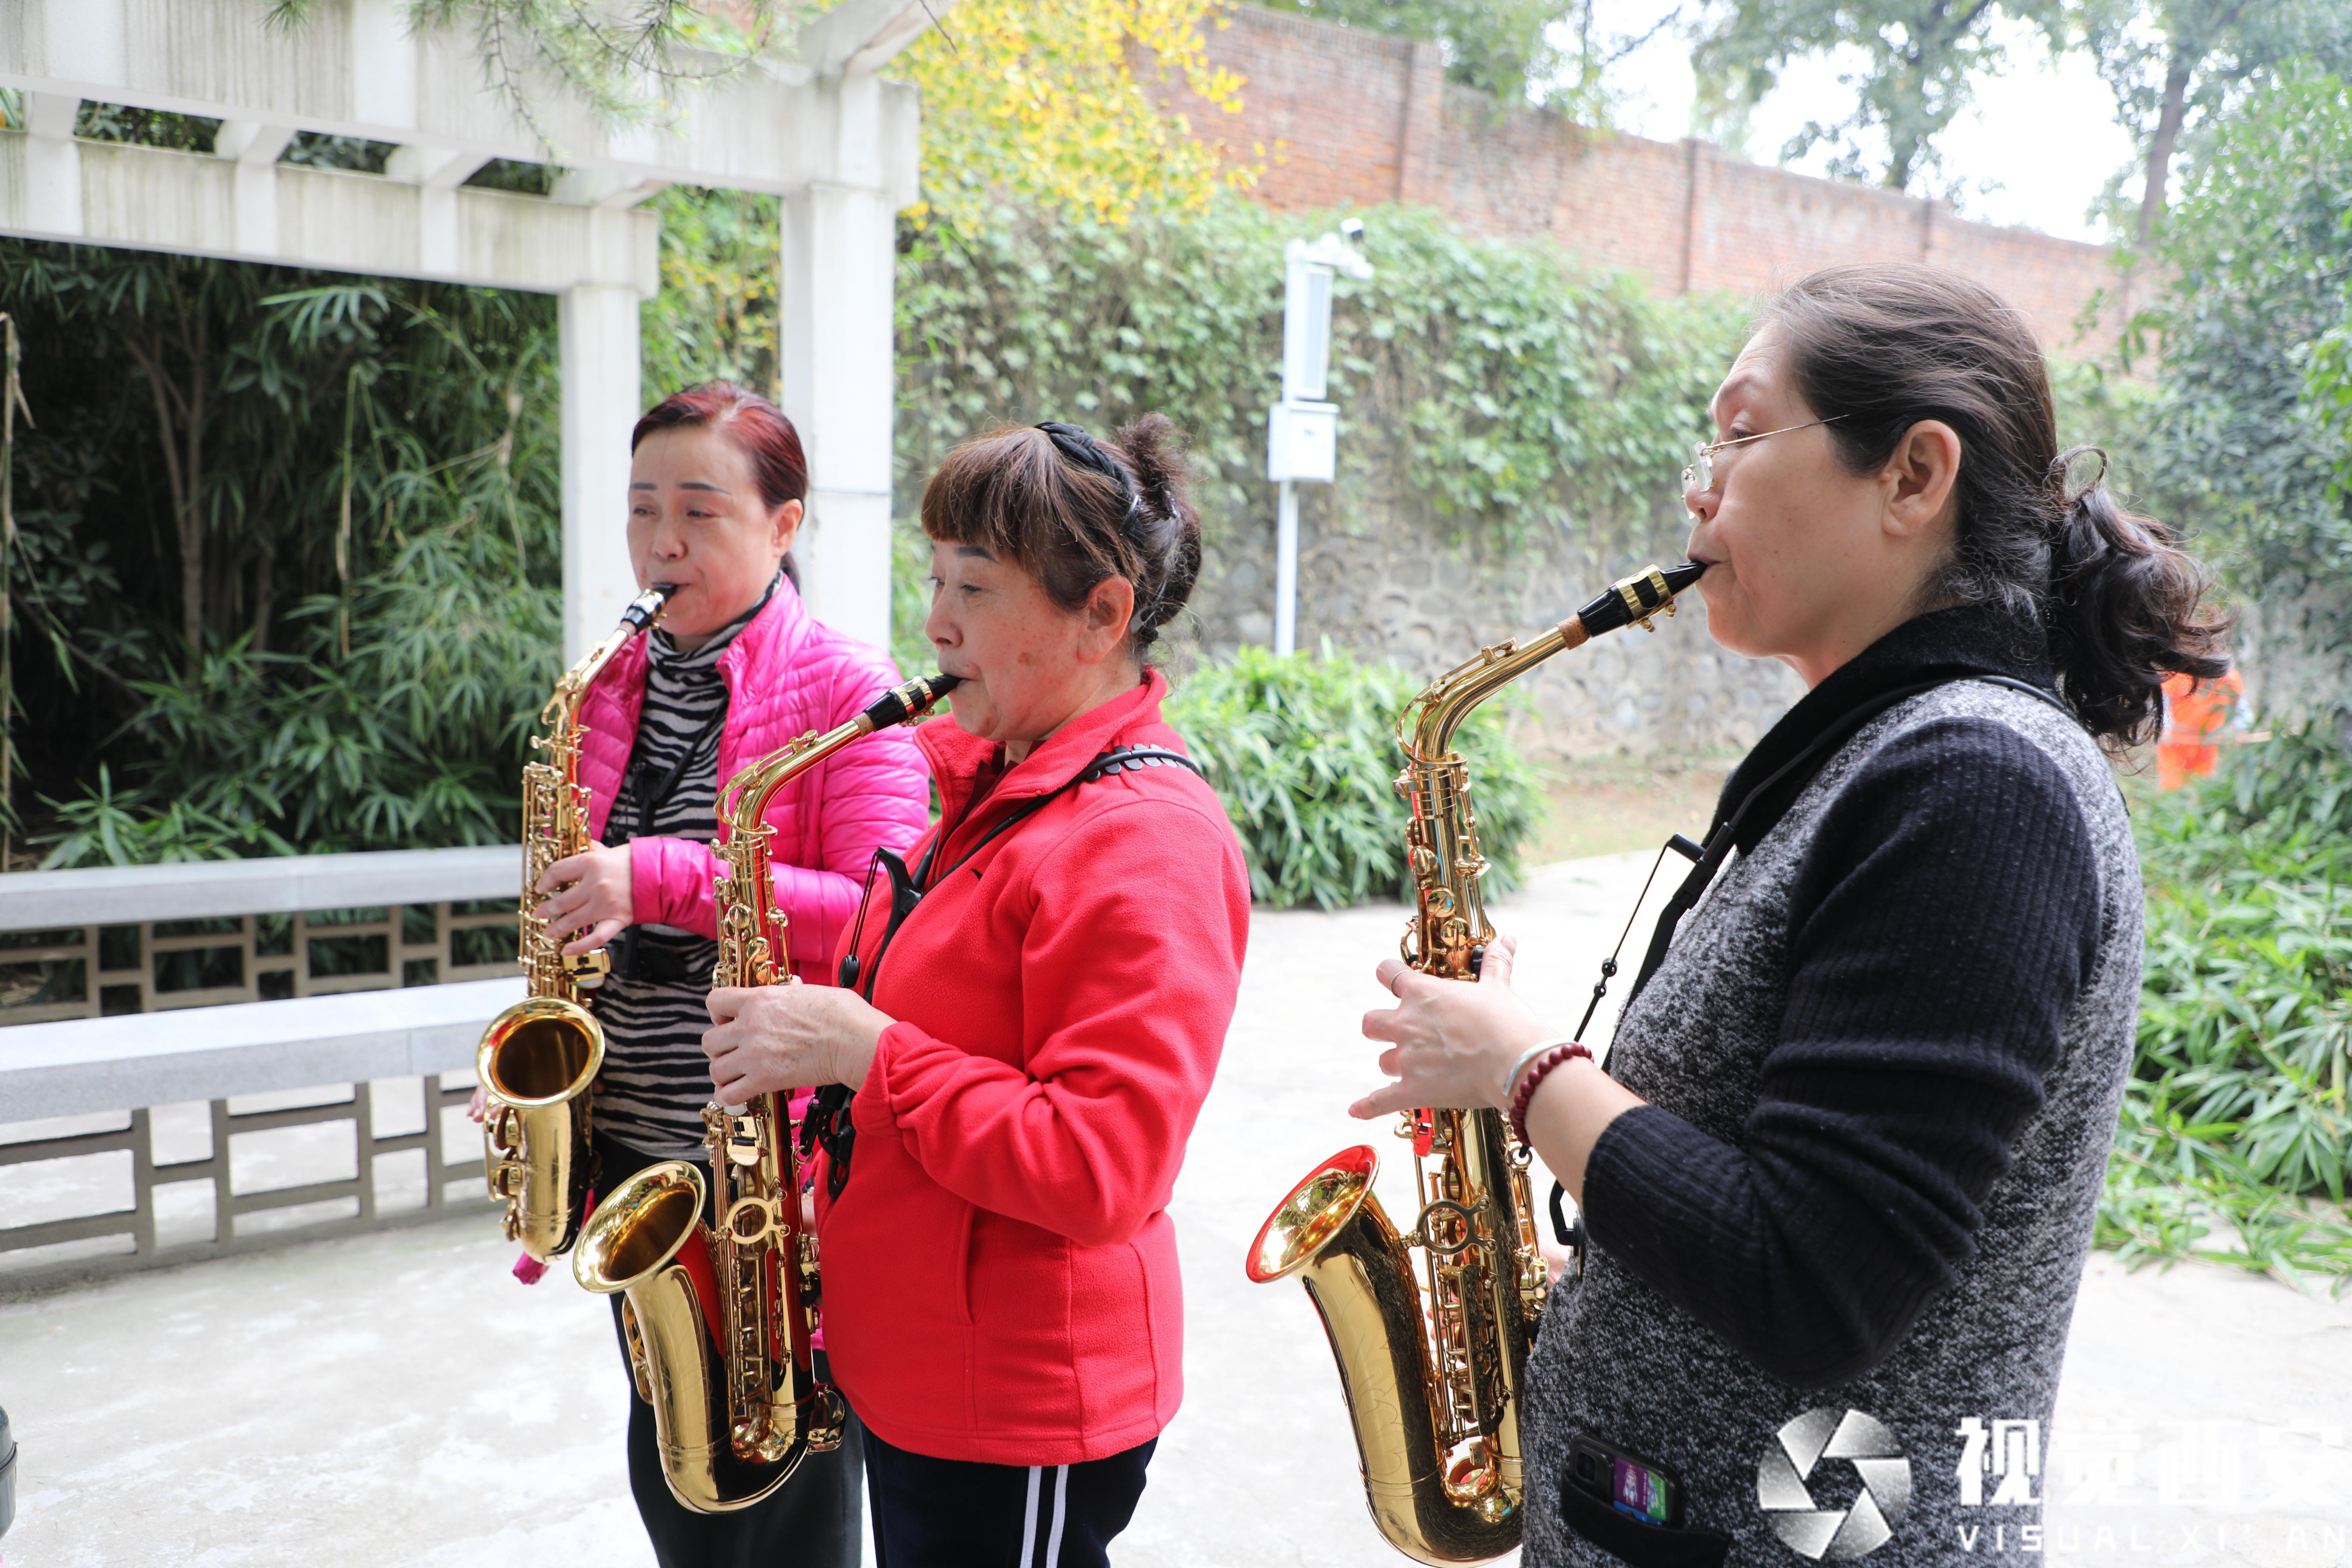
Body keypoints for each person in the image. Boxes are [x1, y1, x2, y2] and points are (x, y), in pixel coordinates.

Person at [1352, 265, 2228, 1566]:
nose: (1699, 483)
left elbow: (1812, 1275)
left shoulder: (1975, 783)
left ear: (1913, 476)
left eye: (1743, 430)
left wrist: (1525, 1071)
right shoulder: (1884, 756)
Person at [696, 416, 1251, 1568]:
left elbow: (1103, 1167)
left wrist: (865, 1052)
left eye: (977, 588)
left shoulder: (1144, 839)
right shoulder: (995, 793)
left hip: (1021, 1407)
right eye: (934, 577)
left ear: (1103, 615)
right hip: (923, 1373)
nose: (937, 623)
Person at [511, 382, 931, 1568]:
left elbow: (879, 922)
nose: (662, 544)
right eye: (643, 510)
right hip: (630, 1153)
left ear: (786, 525)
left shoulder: (855, 692)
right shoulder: (605, 689)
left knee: (782, 1501)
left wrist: (663, 879)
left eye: (700, 510)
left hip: (767, 1175)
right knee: (671, 1483)